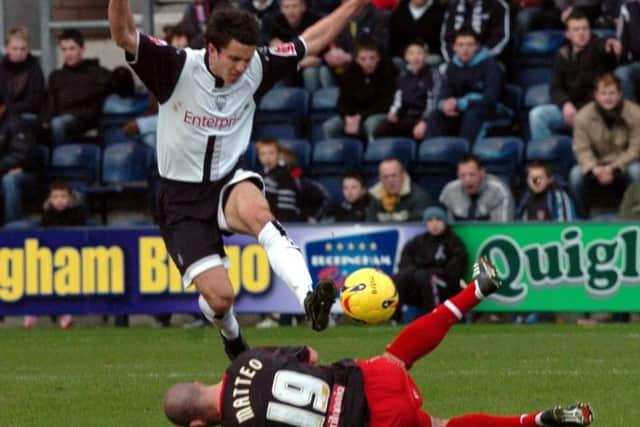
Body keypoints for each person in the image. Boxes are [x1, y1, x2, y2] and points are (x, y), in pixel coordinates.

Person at [108, 0, 368, 357]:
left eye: (247, 59)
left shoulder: (257, 67)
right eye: (234, 59)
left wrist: (352, 5)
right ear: (211, 50)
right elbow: (122, 33)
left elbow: (312, 38)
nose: (242, 68)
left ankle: (309, 296)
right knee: (220, 297)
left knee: (262, 215)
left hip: (228, 183)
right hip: (180, 199)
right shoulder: (175, 66)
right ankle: (232, 337)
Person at [162, 256, 595, 427]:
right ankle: (475, 291)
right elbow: (310, 354)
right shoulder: (248, 363)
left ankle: (536, 421)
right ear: (202, 383)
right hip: (365, 382)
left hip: (374, 425)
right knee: (397, 354)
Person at [528, 9, 621, 141]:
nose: (581, 33)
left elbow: (604, 47)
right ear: (568, 34)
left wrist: (609, 44)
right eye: (576, 30)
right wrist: (565, 104)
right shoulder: (562, 54)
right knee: (537, 115)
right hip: (571, 110)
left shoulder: (598, 47)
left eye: (585, 28)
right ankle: (544, 160)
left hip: (593, 112)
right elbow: (555, 88)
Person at [570, 73, 640, 217]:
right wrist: (594, 168)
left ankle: (635, 217)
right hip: (596, 166)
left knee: (636, 171)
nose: (608, 98)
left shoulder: (636, 114)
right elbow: (581, 149)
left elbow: (635, 149)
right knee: (575, 175)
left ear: (620, 94)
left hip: (624, 164)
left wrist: (614, 167)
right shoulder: (583, 116)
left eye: (612, 93)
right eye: (603, 93)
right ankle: (582, 220)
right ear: (596, 95)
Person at [23, 180, 89, 329]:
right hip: (49, 258)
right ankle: (33, 312)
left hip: (73, 259)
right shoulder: (47, 215)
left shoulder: (78, 214)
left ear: (70, 198)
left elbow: (82, 238)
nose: (59, 200)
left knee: (65, 278)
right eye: (55, 197)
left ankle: (65, 314)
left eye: (63, 196)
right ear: (50, 199)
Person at [425, 27, 505, 144]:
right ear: (454, 47)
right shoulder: (452, 66)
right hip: (459, 109)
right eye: (460, 45)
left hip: (489, 109)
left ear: (477, 46)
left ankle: (466, 156)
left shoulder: (492, 65)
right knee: (435, 116)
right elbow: (445, 91)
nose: (465, 49)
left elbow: (491, 98)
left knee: (472, 114)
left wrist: (462, 103)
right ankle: (434, 156)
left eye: (469, 45)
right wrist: (443, 105)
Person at [394, 202, 468, 320]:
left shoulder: (454, 243)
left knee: (425, 276)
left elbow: (454, 272)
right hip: (418, 285)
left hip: (446, 285)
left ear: (445, 221)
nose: (434, 224)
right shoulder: (417, 242)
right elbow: (404, 264)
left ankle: (435, 317)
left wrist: (428, 270)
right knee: (401, 277)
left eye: (438, 219)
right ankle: (394, 318)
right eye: (430, 220)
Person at [322, 36, 397, 142]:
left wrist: (360, 116)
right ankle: (335, 154)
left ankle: (372, 154)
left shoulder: (387, 72)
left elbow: (386, 103)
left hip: (376, 113)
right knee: (330, 126)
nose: (368, 62)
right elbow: (342, 102)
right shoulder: (349, 74)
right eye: (363, 59)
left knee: (371, 123)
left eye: (372, 58)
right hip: (354, 116)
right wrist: (347, 117)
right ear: (356, 59)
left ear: (379, 58)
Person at [376, 41, 441, 141]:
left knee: (421, 132)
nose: (415, 57)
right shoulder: (402, 76)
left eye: (419, 53)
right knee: (381, 130)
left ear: (426, 55)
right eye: (411, 53)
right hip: (406, 116)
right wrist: (393, 113)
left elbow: (434, 102)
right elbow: (398, 99)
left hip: (423, 116)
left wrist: (424, 121)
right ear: (406, 57)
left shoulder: (433, 75)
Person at [257, 139, 330, 223]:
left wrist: (314, 218)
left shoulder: (288, 176)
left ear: (279, 155)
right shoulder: (259, 176)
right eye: (262, 154)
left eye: (271, 153)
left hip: (287, 228)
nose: (267, 157)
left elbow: (286, 211)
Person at [439, 154, 515, 222]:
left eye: (472, 174)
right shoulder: (450, 191)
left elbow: (502, 229)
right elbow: (439, 223)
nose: (467, 180)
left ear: (482, 172)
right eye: (462, 175)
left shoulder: (498, 191)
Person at [269, 0, 325, 91]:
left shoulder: (315, 21)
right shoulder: (275, 23)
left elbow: (320, 54)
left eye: (295, 6)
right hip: (290, 65)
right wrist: (298, 62)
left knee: (310, 72)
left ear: (303, 7)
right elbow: (272, 50)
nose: (291, 11)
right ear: (281, 9)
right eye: (287, 7)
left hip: (311, 66)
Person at [0, 27, 46, 127]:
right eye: (15, 48)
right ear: (7, 48)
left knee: (14, 122)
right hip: (6, 114)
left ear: (28, 48)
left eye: (23, 49)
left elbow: (34, 103)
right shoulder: (2, 69)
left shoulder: (34, 69)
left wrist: (6, 109)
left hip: (28, 115)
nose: (19, 53)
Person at [440, 0, 511, 62]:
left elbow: (500, 37)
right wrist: (454, 59)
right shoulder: (453, 5)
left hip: (487, 59)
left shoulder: (496, 5)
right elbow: (446, 39)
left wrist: (482, 56)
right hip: (456, 58)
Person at [366, 158, 432, 222]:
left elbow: (416, 228)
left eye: (394, 175)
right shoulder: (373, 197)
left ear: (403, 175)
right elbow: (369, 224)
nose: (390, 180)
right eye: (385, 177)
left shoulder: (419, 197)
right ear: (380, 178)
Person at [614, 0, 640, 102]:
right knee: (621, 73)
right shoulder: (627, 7)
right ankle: (632, 113)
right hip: (635, 62)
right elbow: (622, 39)